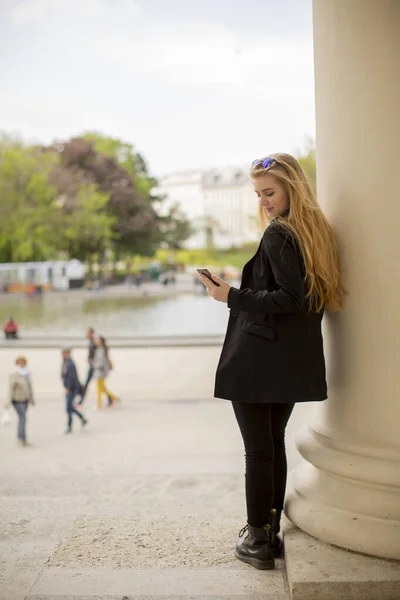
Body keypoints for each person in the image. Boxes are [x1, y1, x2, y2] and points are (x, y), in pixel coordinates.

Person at [198, 153, 345, 571]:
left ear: (291, 189)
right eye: (259, 194)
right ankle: (270, 527)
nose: (263, 201)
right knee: (271, 445)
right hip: (288, 358)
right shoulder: (313, 232)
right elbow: (306, 302)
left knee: (256, 452)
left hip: (258, 358)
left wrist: (230, 295)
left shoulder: (280, 234)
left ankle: (257, 538)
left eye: (270, 192)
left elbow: (290, 298)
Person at [6, 356, 34, 446]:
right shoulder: (14, 374)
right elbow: (11, 388)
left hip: (25, 399)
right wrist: (8, 401)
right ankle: (22, 439)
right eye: (19, 362)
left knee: (22, 418)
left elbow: (30, 388)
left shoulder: (27, 374)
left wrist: (32, 399)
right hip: (17, 400)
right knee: (23, 418)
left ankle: (21, 438)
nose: (21, 364)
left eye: (22, 362)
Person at [61, 348, 88, 434]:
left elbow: (72, 378)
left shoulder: (70, 364)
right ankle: (82, 418)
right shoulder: (65, 362)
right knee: (70, 407)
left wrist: (68, 388)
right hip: (69, 388)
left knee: (68, 408)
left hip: (71, 389)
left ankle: (70, 426)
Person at [93, 336, 119, 409]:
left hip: (100, 372)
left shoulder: (101, 350)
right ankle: (115, 398)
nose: (96, 341)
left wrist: (94, 365)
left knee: (99, 389)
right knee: (102, 388)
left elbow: (100, 362)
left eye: (97, 340)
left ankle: (99, 405)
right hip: (102, 372)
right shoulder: (102, 349)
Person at [78, 327, 96, 404]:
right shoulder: (91, 342)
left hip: (94, 367)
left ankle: (81, 401)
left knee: (86, 383)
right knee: (100, 384)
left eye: (87, 333)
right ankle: (110, 399)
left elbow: (97, 354)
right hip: (93, 366)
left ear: (91, 333)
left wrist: (92, 361)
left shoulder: (94, 343)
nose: (86, 334)